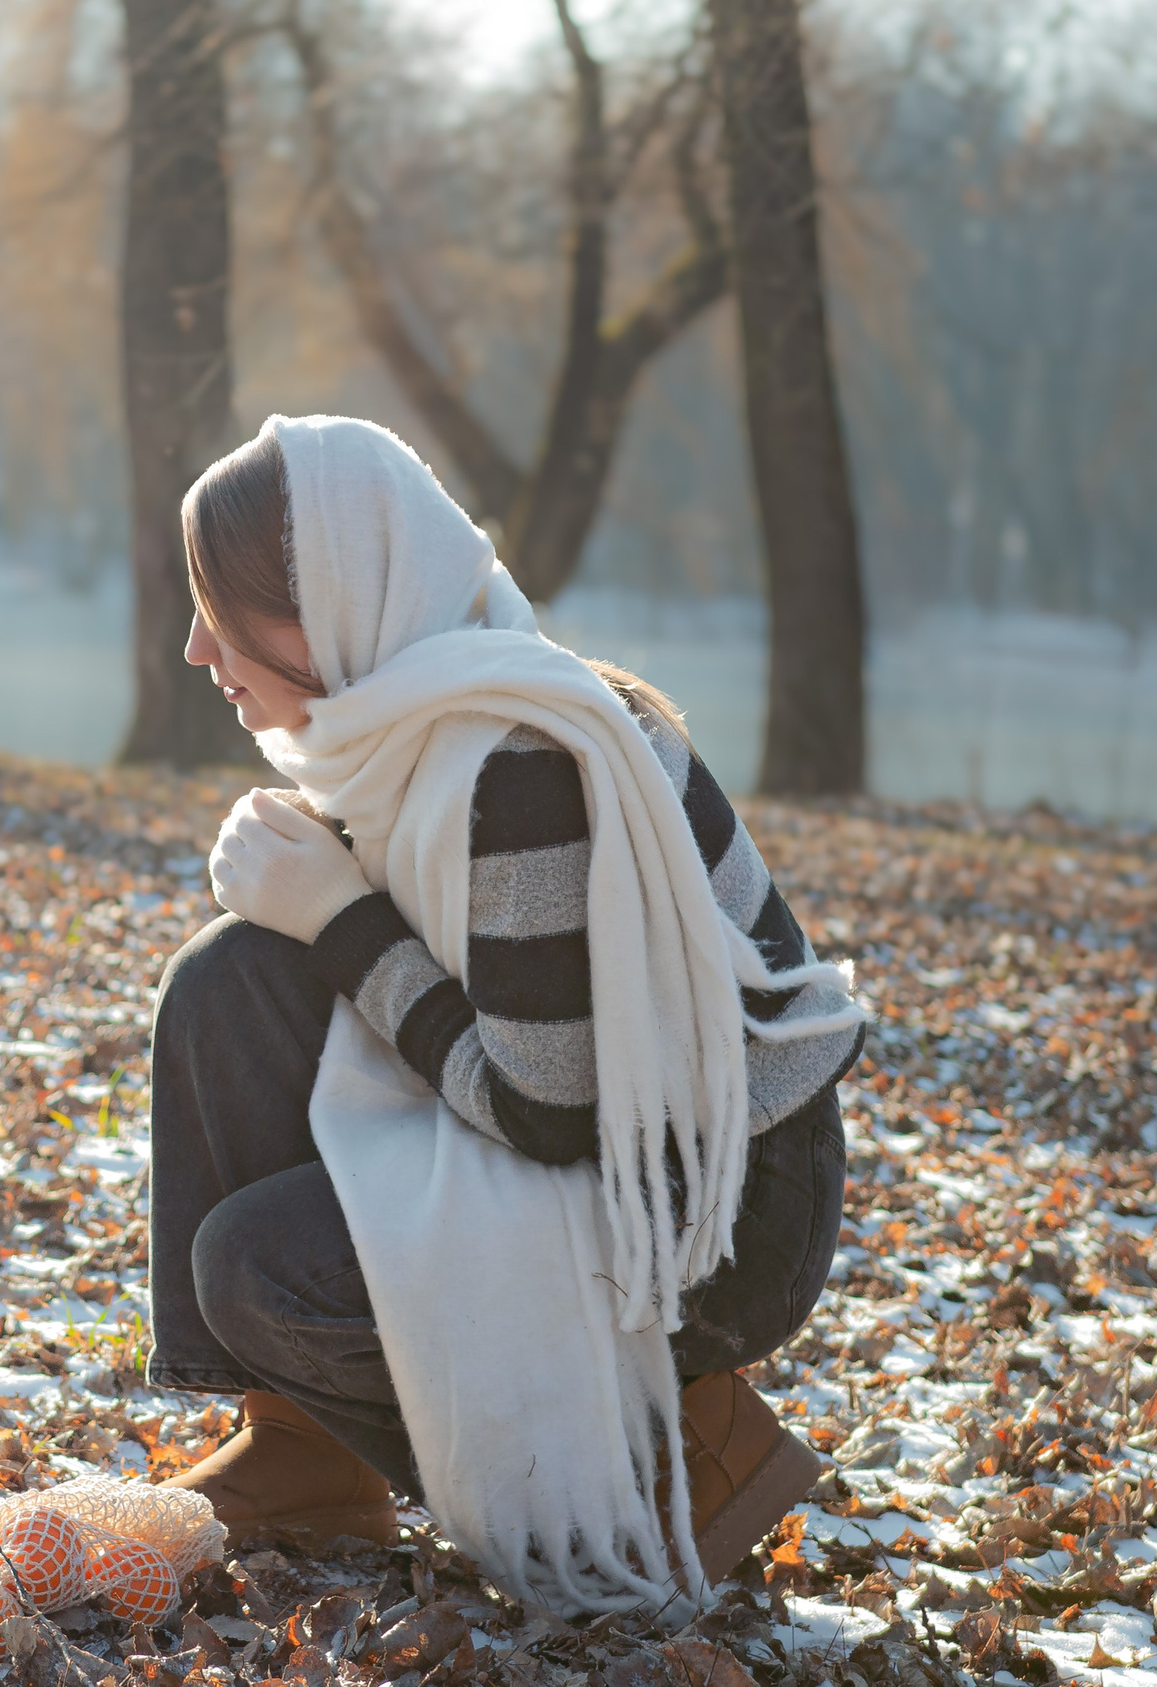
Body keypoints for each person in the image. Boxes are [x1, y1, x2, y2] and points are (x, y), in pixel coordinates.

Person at [147, 416, 863, 1609]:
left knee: (262, 1271)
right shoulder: (421, 716)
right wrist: (316, 908)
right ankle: (304, 1452)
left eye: (223, 608)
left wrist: (336, 917)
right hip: (613, 1138)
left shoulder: (522, 763)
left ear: (334, 597)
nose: (190, 646)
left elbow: (545, 1112)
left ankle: (686, 1431)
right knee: (228, 982)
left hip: (715, 1207)